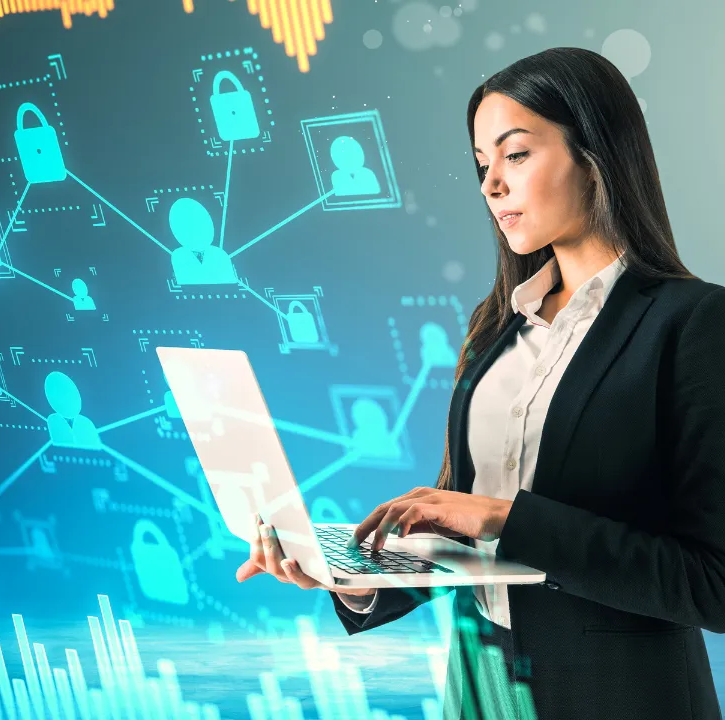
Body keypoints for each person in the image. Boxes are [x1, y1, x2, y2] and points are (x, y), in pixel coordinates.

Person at [235, 47, 725, 719]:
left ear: (596, 153)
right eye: (481, 165)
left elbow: (713, 582)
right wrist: (352, 581)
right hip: (481, 686)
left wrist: (506, 517)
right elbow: (457, 528)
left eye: (515, 154)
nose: (492, 184)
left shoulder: (692, 323)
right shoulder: (496, 325)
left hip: (617, 695)